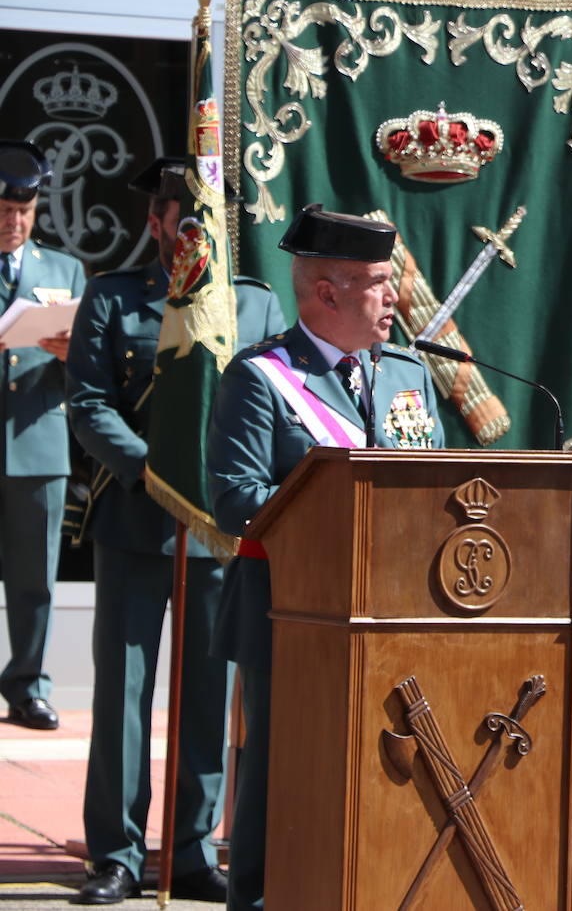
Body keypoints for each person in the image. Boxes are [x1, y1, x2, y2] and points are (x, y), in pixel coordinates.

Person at [207, 203, 444, 909]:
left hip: (395, 610)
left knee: (387, 768)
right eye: (377, 281)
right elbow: (236, 499)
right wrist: (343, 509)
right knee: (286, 776)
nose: (393, 296)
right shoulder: (261, 379)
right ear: (326, 293)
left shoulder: (407, 373)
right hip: (293, 614)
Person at [64, 157, 287, 903]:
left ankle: (190, 850)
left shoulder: (252, 306)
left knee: (207, 696)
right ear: (154, 220)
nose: (192, 229)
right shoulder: (112, 297)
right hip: (135, 524)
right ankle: (118, 854)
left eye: (206, 217)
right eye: (179, 216)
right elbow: (88, 404)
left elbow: (271, 406)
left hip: (219, 536)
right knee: (123, 696)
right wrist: (155, 475)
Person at [0, 140, 86, 731]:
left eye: (23, 214)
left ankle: (28, 684)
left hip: (37, 440)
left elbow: (94, 359)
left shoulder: (65, 269)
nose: (13, 223)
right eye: (5, 213)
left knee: (36, 578)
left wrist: (69, 352)